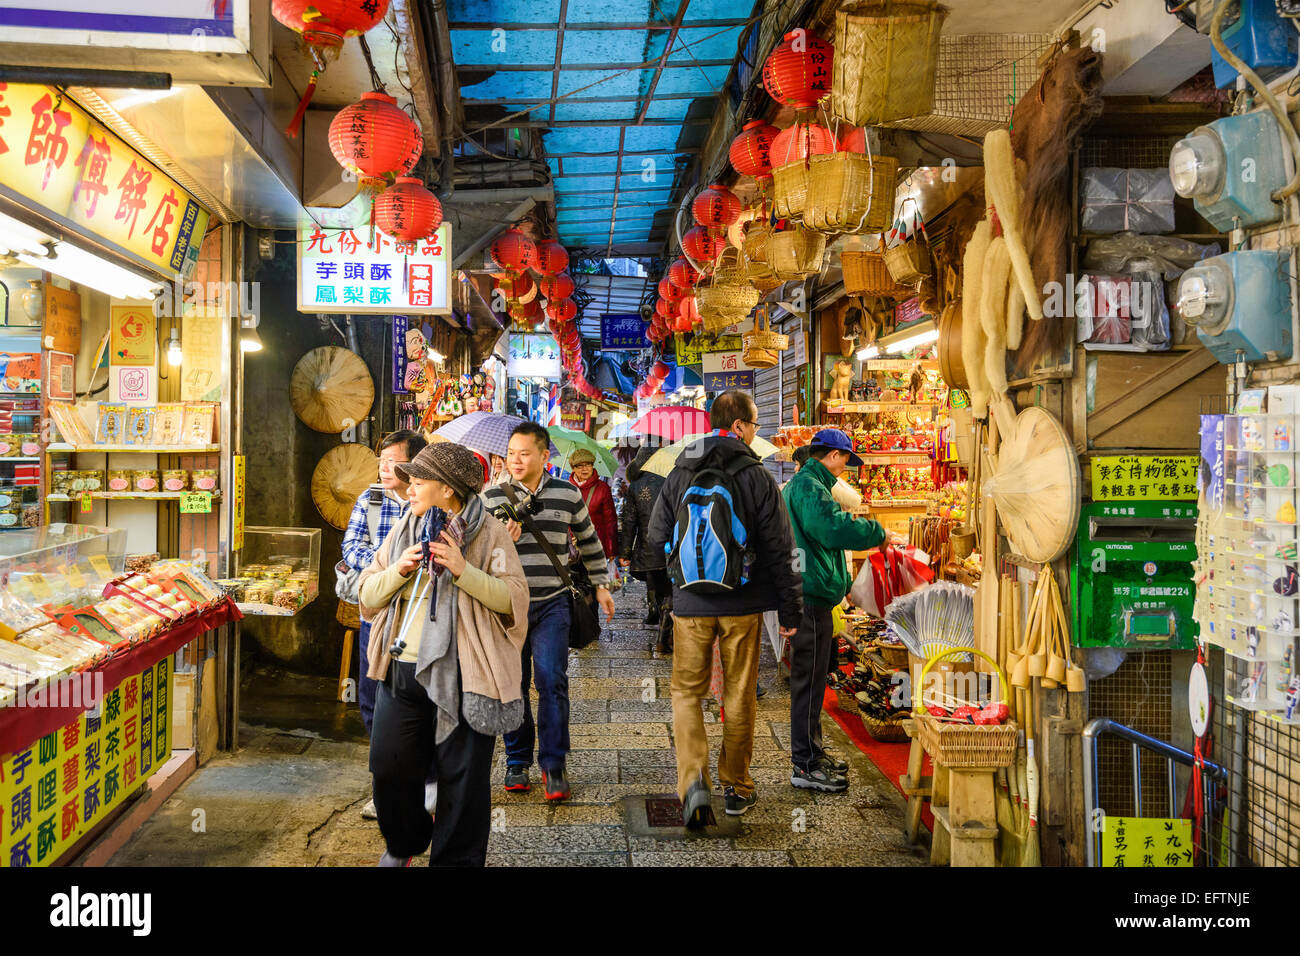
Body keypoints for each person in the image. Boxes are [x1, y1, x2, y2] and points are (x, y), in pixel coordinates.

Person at [358, 443, 530, 866]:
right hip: (401, 669)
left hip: (466, 674)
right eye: (409, 482)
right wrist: (398, 570)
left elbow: (513, 600)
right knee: (389, 768)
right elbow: (366, 594)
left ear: (448, 490)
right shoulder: (405, 529)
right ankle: (405, 842)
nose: (408, 489)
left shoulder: (488, 533)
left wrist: (463, 570)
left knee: (464, 782)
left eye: (418, 483)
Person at [646, 389, 803, 825]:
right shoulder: (757, 475)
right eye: (753, 425)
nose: (755, 433)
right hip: (743, 604)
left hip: (691, 603)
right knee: (737, 694)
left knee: (686, 692)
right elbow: (782, 548)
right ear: (738, 426)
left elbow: (655, 539)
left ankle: (693, 779)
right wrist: (791, 612)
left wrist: (672, 591)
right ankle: (736, 786)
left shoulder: (680, 470)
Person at [481, 421, 615, 801]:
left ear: (545, 456)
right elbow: (476, 555)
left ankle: (554, 764)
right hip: (507, 606)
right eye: (511, 453)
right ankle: (517, 760)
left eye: (525, 453)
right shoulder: (491, 497)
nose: (517, 460)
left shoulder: (567, 493)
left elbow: (589, 541)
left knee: (552, 679)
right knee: (514, 683)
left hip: (553, 602)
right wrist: (498, 543)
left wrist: (602, 586)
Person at [783, 428, 887, 794]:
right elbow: (830, 528)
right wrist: (878, 533)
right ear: (832, 455)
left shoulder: (810, 483)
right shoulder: (810, 487)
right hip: (809, 598)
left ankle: (812, 753)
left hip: (814, 597)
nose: (846, 467)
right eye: (845, 459)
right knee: (808, 684)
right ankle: (805, 764)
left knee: (812, 684)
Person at [340, 428, 427, 820]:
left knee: (417, 699)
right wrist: (391, 564)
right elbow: (351, 547)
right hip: (375, 615)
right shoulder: (370, 499)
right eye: (382, 461)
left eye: (393, 461)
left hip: (416, 622)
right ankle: (385, 787)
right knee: (373, 700)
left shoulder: (430, 503)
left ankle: (427, 780)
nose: (385, 468)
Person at [619, 441, 671, 649]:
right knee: (670, 589)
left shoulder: (636, 485)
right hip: (670, 546)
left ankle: (656, 613)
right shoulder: (672, 480)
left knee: (655, 584)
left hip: (647, 547)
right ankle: (665, 628)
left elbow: (629, 522)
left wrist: (626, 551)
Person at [568, 447, 619, 586]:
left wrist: (611, 549)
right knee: (574, 587)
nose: (584, 469)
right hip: (571, 549)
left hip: (596, 546)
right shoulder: (566, 488)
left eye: (588, 464)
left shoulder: (602, 488)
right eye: (580, 466)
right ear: (573, 468)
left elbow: (610, 521)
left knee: (592, 588)